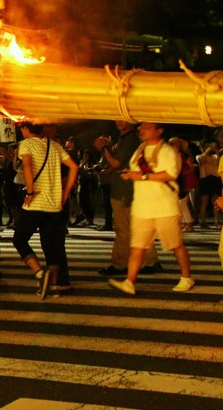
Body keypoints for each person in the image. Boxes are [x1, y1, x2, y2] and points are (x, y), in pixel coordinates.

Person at [109, 122, 196, 296]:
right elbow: (138, 173)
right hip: (142, 207)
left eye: (147, 127)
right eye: (141, 127)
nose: (141, 130)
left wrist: (141, 176)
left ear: (159, 131)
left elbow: (170, 174)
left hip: (164, 207)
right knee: (137, 247)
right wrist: (130, 174)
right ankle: (129, 282)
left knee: (176, 245)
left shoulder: (168, 151)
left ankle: (186, 277)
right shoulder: (140, 150)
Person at [13, 122, 78, 297]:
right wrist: (66, 191)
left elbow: (27, 166)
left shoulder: (26, 144)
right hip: (55, 204)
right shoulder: (55, 145)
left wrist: (30, 190)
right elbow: (74, 166)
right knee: (51, 246)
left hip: (36, 203)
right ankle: (54, 286)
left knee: (19, 239)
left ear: (25, 129)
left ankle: (40, 274)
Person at [94, 122, 161, 275]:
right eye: (118, 118)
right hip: (128, 190)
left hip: (125, 191)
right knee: (136, 228)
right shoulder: (125, 139)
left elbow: (116, 163)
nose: (119, 122)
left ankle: (121, 263)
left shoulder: (129, 139)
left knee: (123, 229)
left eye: (123, 119)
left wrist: (103, 148)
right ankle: (150, 261)